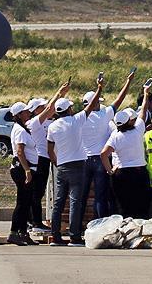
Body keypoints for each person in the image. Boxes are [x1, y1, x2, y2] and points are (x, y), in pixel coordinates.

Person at [46, 77, 103, 247]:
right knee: (75, 202)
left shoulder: (52, 126)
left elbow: (50, 148)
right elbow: (91, 106)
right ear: (69, 110)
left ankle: (55, 237)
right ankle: (74, 236)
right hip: (78, 165)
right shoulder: (76, 120)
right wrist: (99, 88)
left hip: (62, 165)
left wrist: (57, 162)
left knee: (59, 202)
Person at [80, 71, 136, 223]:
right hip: (100, 160)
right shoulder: (104, 114)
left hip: (84, 160)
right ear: (95, 102)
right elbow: (120, 99)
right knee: (100, 196)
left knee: (81, 196)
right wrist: (128, 81)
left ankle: (77, 229)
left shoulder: (79, 118)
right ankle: (100, 224)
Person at [25, 83, 69, 232]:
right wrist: (59, 93)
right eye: (40, 107)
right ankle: (36, 223)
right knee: (37, 192)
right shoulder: (33, 123)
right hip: (40, 159)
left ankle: (32, 221)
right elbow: (50, 109)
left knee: (38, 192)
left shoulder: (41, 122)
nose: (44, 108)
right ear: (34, 110)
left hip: (44, 158)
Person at [101, 106, 150, 218]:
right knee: (142, 206)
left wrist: (110, 170)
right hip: (139, 172)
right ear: (129, 121)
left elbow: (103, 154)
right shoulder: (138, 130)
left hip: (121, 174)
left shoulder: (115, 136)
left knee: (124, 207)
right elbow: (143, 113)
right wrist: (146, 95)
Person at [8, 101, 40, 246]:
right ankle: (14, 232)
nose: (29, 113)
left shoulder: (22, 128)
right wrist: (27, 170)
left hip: (25, 168)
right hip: (21, 169)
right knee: (22, 202)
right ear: (19, 115)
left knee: (26, 202)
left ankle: (23, 232)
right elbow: (20, 152)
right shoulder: (20, 131)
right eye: (26, 111)